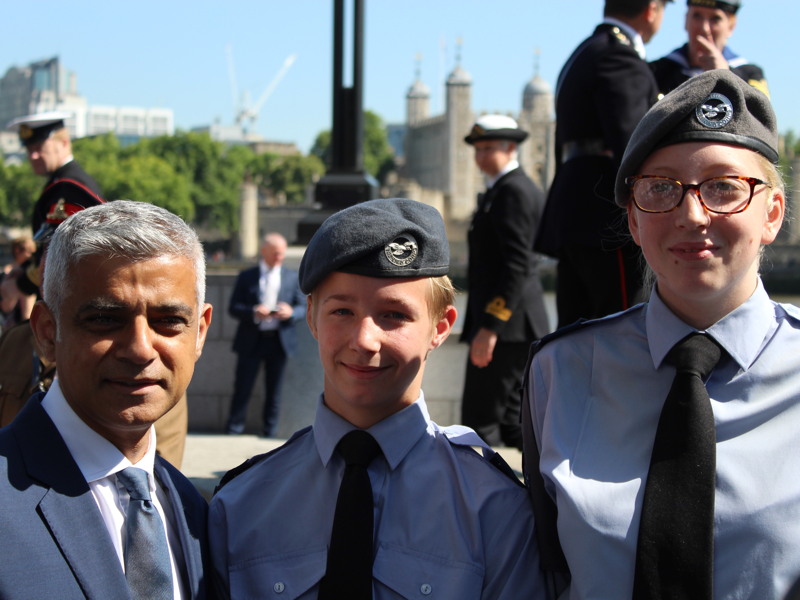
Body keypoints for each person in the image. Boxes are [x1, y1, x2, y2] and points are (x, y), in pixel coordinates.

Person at [523, 69, 800, 598]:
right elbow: (548, 570)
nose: (692, 215)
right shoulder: (561, 371)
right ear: (632, 221)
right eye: (661, 189)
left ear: (773, 213)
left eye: (724, 186)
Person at [210, 198, 544, 599]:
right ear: (312, 316)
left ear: (440, 326)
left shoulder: (494, 508)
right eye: (342, 312)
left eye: (393, 315)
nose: (365, 340)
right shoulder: (242, 504)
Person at [0, 201, 214, 599]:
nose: (139, 349)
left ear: (199, 332)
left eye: (168, 320)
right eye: (104, 319)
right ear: (47, 331)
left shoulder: (199, 514)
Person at [535, 0, 671, 328]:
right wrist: (659, 203)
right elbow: (631, 144)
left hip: (574, 212)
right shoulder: (619, 57)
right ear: (652, 9)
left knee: (574, 336)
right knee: (623, 329)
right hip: (608, 220)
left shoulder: (584, 52)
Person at [461, 115, 550, 450]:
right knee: (513, 424)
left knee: (480, 422)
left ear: (511, 148)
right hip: (514, 326)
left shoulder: (512, 192)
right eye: (477, 149)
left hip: (507, 329)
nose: (481, 157)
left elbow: (517, 263)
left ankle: (484, 499)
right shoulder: (501, 190)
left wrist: (490, 327)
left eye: (489, 149)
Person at [225, 232, 305, 437]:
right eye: (276, 253)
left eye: (282, 253)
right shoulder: (247, 276)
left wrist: (291, 313)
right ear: (264, 252)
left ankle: (270, 431)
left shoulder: (291, 276)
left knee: (275, 391)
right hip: (251, 340)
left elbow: (303, 307)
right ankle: (234, 429)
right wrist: (253, 311)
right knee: (242, 387)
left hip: (279, 341)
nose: (280, 256)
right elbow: (233, 307)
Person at [650, 0, 768, 97]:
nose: (704, 28)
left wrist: (726, 76)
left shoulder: (750, 74)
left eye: (715, 19)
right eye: (697, 16)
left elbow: (762, 116)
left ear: (731, 26)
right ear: (686, 20)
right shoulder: (656, 72)